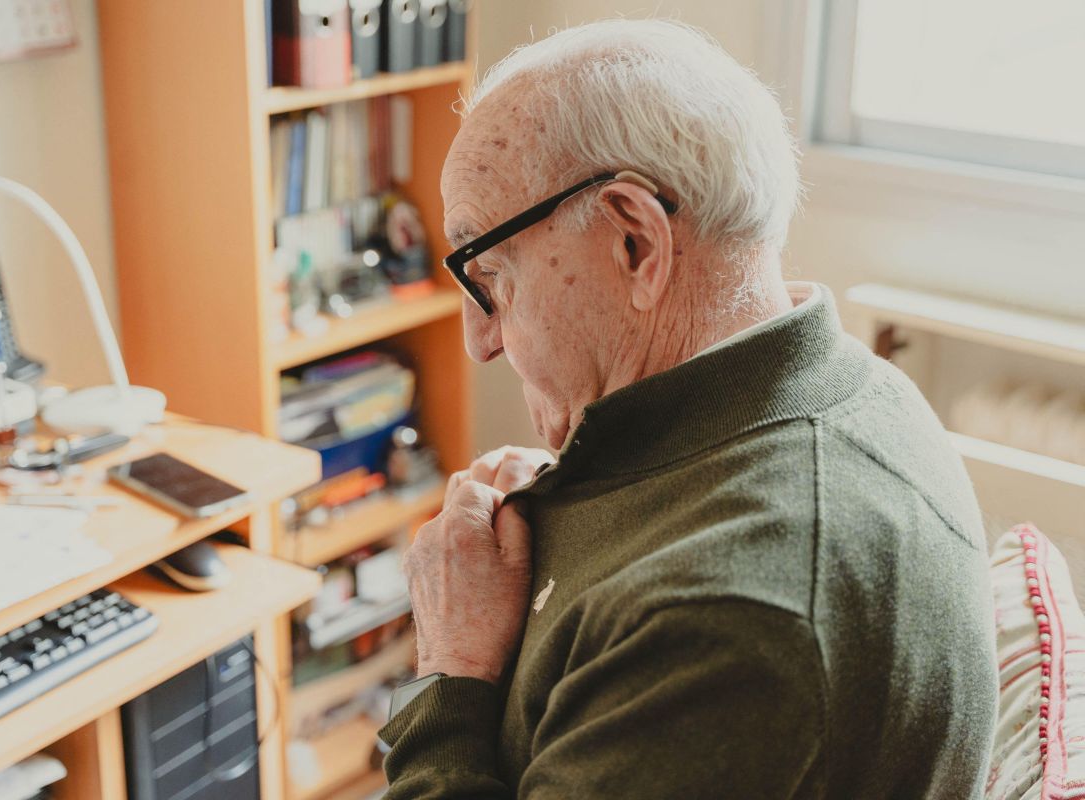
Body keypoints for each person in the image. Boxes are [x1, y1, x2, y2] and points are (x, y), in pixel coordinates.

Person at [379, 19, 997, 799]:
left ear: (635, 241)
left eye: (491, 277)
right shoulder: (839, 387)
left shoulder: (731, 617)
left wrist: (452, 672)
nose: (480, 342)